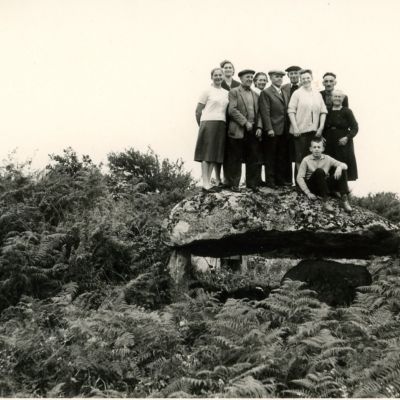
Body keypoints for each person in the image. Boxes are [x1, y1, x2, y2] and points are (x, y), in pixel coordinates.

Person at [224, 69, 263, 192]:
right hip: (238, 130)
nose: (250, 79)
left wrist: (259, 127)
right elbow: (232, 110)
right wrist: (245, 122)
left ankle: (251, 184)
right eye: (247, 77)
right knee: (236, 157)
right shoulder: (234, 92)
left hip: (252, 130)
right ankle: (234, 184)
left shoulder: (256, 94)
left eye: (252, 77)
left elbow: (260, 113)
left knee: (253, 157)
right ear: (241, 79)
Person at [194, 67, 229, 192]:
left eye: (220, 75)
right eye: (216, 75)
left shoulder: (226, 92)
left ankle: (209, 182)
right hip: (208, 122)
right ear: (212, 77)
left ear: (223, 77)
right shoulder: (207, 91)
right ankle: (205, 183)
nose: (218, 77)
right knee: (206, 153)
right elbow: (198, 111)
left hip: (221, 123)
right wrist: (202, 126)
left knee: (215, 154)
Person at [297, 136, 352, 212]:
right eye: (314, 147)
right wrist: (308, 192)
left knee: (342, 170)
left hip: (324, 185)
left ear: (323, 149)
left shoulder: (327, 158)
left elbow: (345, 166)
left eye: (319, 147)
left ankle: (344, 200)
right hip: (313, 186)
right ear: (311, 149)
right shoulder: (306, 160)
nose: (316, 149)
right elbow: (299, 177)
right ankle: (325, 201)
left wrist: (339, 167)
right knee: (319, 171)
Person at [288, 69, 328, 170]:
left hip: (314, 132)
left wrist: (320, 128)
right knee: (300, 158)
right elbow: (291, 111)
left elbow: (323, 111)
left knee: (313, 157)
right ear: (300, 80)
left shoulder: (317, 94)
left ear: (312, 78)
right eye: (303, 78)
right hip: (300, 132)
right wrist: (295, 128)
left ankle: (310, 183)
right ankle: (300, 183)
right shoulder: (297, 93)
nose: (306, 80)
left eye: (308, 78)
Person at [259, 69, 290, 187]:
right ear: (271, 78)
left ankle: (280, 180)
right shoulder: (266, 93)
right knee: (270, 156)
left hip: (283, 130)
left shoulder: (284, 92)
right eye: (276, 77)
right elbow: (265, 112)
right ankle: (270, 181)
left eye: (281, 77)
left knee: (281, 156)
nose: (279, 79)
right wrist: (269, 128)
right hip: (273, 129)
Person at [323, 90, 359, 181]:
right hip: (329, 141)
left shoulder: (347, 111)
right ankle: (332, 190)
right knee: (330, 163)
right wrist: (321, 137)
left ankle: (343, 190)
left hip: (343, 143)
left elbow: (355, 127)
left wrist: (347, 137)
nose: (337, 99)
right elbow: (323, 126)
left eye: (339, 97)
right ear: (331, 98)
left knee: (342, 163)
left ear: (343, 99)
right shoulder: (327, 111)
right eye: (335, 96)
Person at [282, 65, 302, 184]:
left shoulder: (303, 87)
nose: (294, 75)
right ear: (288, 75)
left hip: (300, 123)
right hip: (286, 123)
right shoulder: (284, 88)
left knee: (299, 153)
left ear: (299, 75)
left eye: (296, 73)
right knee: (287, 152)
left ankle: (299, 180)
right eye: (291, 73)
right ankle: (287, 181)